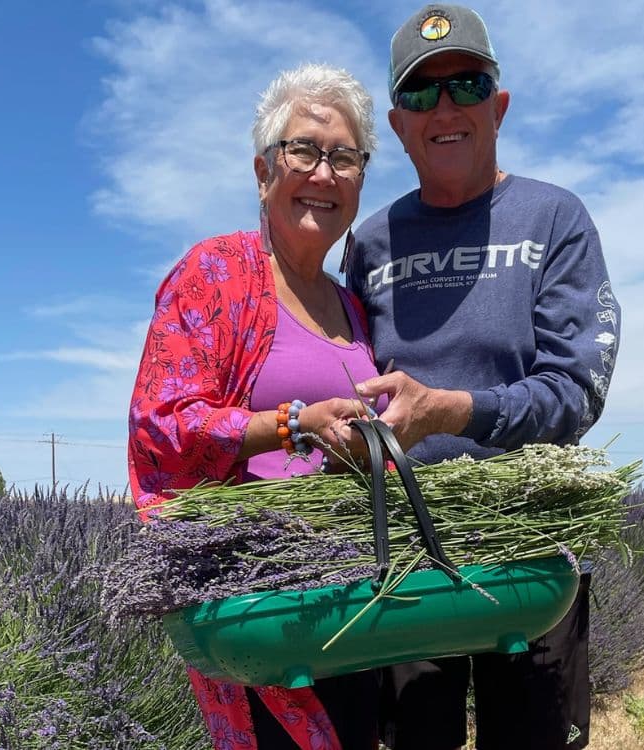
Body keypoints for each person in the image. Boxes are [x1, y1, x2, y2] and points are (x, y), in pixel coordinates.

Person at [344, 5, 621, 750]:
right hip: (405, 557)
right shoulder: (369, 244)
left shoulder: (554, 218)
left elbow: (577, 393)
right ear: (398, 127)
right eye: (419, 94)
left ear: (497, 105)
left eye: (466, 84)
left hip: (531, 545)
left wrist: (448, 411)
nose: (444, 107)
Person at [128, 63, 386, 750]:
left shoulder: (353, 305)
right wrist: (292, 424)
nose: (324, 174)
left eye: (345, 158)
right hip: (260, 609)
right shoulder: (216, 273)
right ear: (263, 170)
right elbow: (161, 423)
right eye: (304, 150)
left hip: (354, 606)